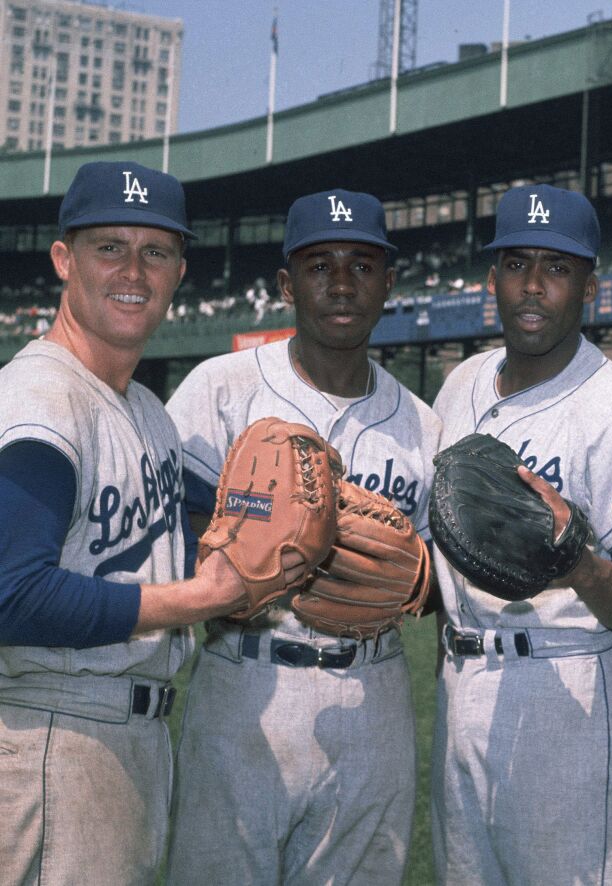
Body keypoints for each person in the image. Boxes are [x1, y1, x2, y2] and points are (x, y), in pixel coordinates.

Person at [164, 189, 442, 883]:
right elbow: (167, 535)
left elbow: (435, 587)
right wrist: (252, 554)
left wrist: (413, 583)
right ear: (287, 284)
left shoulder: (422, 425)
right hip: (243, 689)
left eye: (361, 264)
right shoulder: (219, 389)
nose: (341, 283)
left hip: (371, 695)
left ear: (389, 283)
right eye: (319, 265)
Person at [0, 161, 258, 884]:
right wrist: (203, 598)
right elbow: (11, 596)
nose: (133, 271)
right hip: (52, 732)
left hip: (131, 740)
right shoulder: (42, 397)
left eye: (155, 252)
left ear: (180, 270)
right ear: (63, 260)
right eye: (109, 247)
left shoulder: (147, 412)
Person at [429, 184, 612, 885]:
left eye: (557, 268)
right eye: (516, 264)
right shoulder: (463, 384)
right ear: (493, 278)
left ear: (590, 287)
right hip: (462, 679)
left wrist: (583, 569)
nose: (533, 286)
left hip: (569, 686)